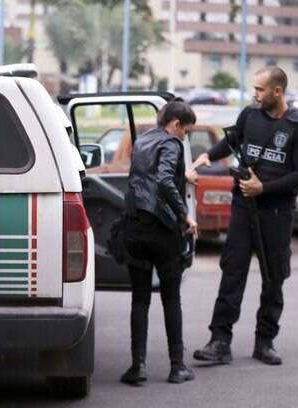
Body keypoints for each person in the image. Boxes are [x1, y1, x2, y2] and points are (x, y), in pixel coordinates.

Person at [192, 66, 298, 366]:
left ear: (277, 91)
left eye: (260, 89)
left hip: (277, 212)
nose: (255, 94)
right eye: (254, 89)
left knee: (273, 278)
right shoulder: (250, 115)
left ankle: (265, 342)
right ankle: (220, 341)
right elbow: (232, 142)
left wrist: (264, 187)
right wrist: (208, 156)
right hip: (243, 209)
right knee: (233, 272)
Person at [120, 99, 199, 385]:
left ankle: (137, 366)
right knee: (171, 298)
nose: (184, 137)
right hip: (163, 231)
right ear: (176, 124)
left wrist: (182, 175)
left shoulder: (142, 140)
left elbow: (146, 178)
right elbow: (165, 180)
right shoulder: (171, 143)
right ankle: (177, 366)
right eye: (186, 131)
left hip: (135, 228)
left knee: (139, 300)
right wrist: (185, 216)